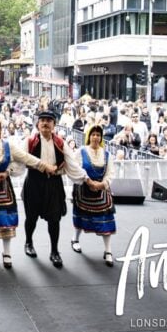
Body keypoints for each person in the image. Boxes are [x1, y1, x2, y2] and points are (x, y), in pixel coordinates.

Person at [0, 117, 54, 268]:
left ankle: (6, 252)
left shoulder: (8, 146)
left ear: (0, 131)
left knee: (6, 218)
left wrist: (42, 165)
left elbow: (25, 157)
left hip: (3, 185)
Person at [22, 111, 89, 268]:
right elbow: (21, 159)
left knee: (54, 219)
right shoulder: (29, 141)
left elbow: (72, 163)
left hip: (53, 184)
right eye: (42, 120)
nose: (45, 123)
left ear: (54, 124)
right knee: (31, 217)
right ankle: (28, 242)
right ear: (38, 124)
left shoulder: (60, 143)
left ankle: (54, 251)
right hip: (33, 182)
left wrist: (86, 179)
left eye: (49, 121)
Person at [70, 125, 117, 266]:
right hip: (83, 190)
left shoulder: (107, 155)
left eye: (98, 135)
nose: (96, 137)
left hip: (102, 192)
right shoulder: (81, 152)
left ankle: (108, 250)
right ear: (88, 136)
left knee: (107, 219)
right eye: (93, 134)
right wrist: (88, 181)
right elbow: (75, 168)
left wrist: (102, 184)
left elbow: (111, 173)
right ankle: (75, 239)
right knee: (81, 216)